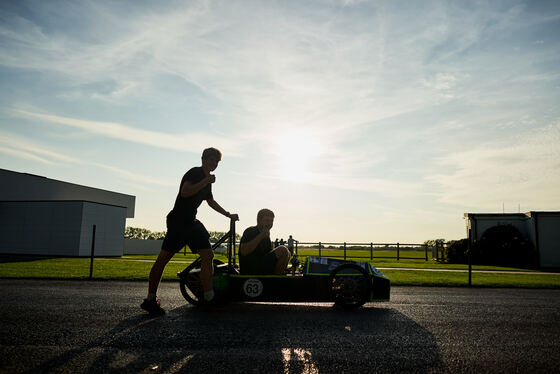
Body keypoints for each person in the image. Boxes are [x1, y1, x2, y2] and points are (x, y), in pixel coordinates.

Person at [141, 147, 238, 315]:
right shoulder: (195, 173)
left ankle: (209, 297)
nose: (213, 163)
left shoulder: (206, 179)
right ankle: (150, 299)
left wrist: (228, 214)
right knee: (163, 259)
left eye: (216, 161)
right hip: (178, 222)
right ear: (203, 159)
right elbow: (185, 192)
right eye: (211, 159)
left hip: (192, 223)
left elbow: (210, 201)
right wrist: (205, 181)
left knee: (208, 255)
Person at [238, 209, 290, 275]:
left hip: (261, 266)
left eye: (272, 221)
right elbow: (244, 251)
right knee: (283, 250)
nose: (270, 223)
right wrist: (261, 236)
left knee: (288, 253)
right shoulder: (250, 231)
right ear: (258, 220)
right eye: (267, 220)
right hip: (250, 268)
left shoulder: (266, 236)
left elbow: (269, 254)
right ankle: (276, 280)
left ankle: (280, 273)